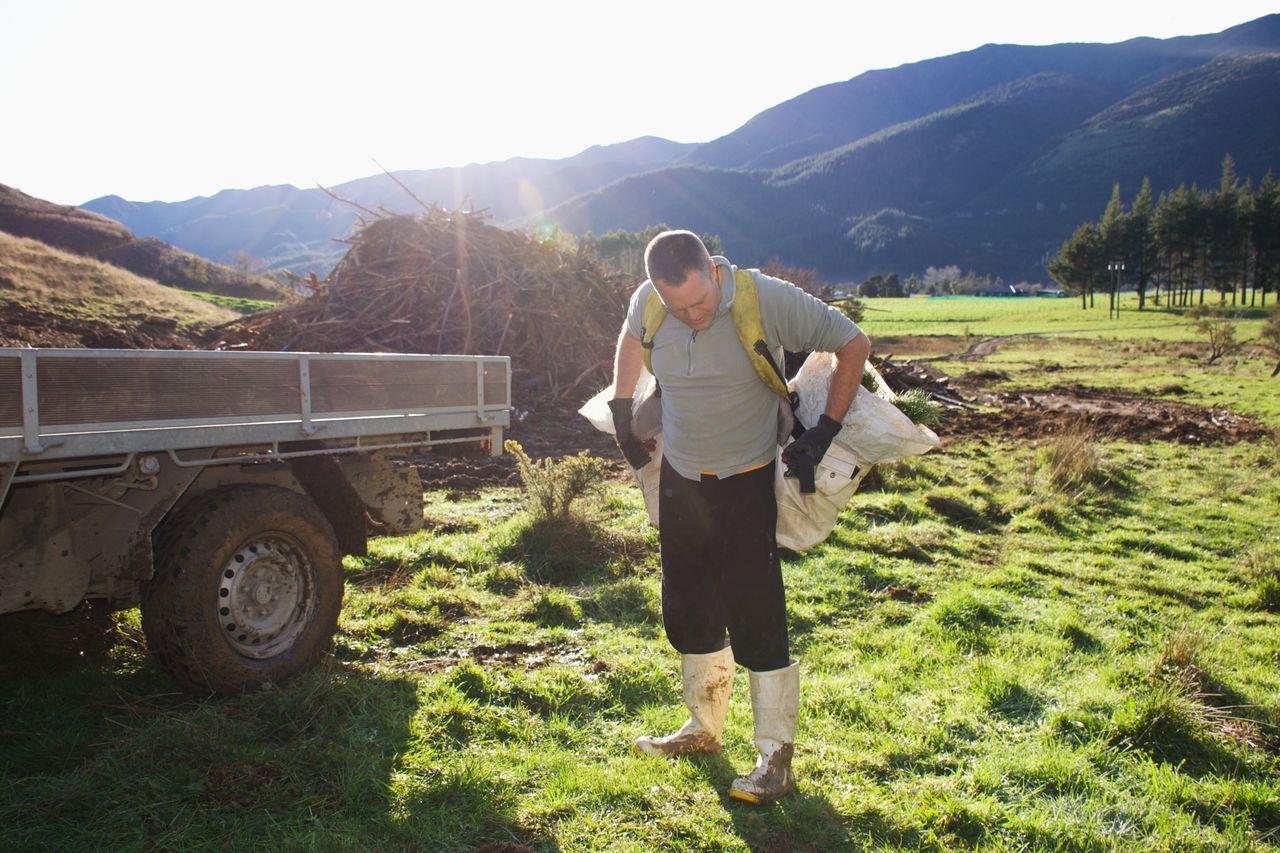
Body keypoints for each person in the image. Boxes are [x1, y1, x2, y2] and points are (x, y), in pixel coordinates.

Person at [608, 230, 869, 805]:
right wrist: (622, 409)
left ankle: (775, 756)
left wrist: (824, 431)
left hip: (747, 478)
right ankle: (703, 728)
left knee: (757, 613)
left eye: (701, 302)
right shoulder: (649, 302)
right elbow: (631, 340)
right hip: (681, 476)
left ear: (714, 272)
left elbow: (853, 342)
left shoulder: (763, 298)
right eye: (680, 308)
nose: (693, 315)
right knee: (687, 604)